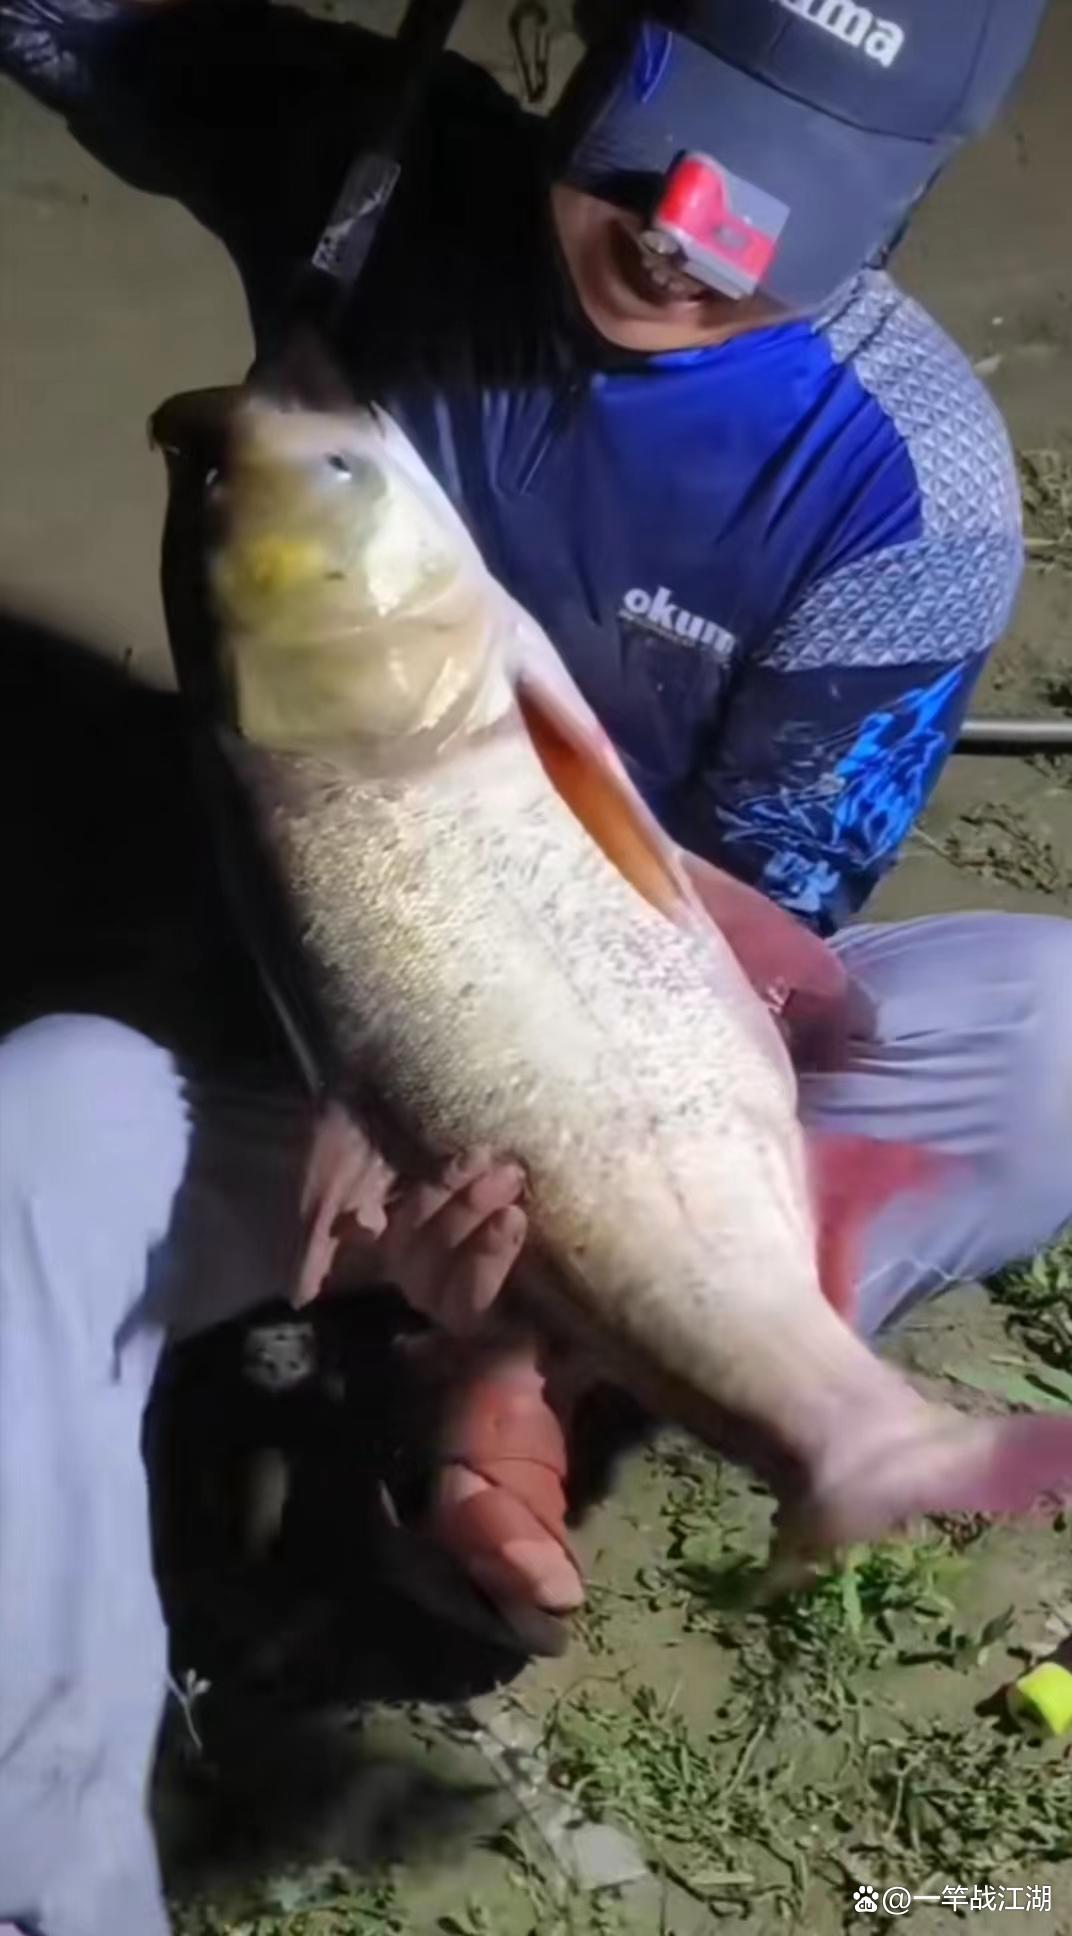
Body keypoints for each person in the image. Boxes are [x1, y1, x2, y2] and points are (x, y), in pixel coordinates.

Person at [2, 0, 1070, 1928]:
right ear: (581, 42)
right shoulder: (378, 179)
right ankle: (51, 1886)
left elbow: (761, 929)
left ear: (908, 196)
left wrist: (509, 1308)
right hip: (309, 1035)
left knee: (1054, 1031)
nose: (682, 227)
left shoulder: (909, 490)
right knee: (32, 1134)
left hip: (642, 1072)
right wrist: (381, 1095)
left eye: (785, 199)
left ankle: (586, 1367)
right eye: (658, 138)